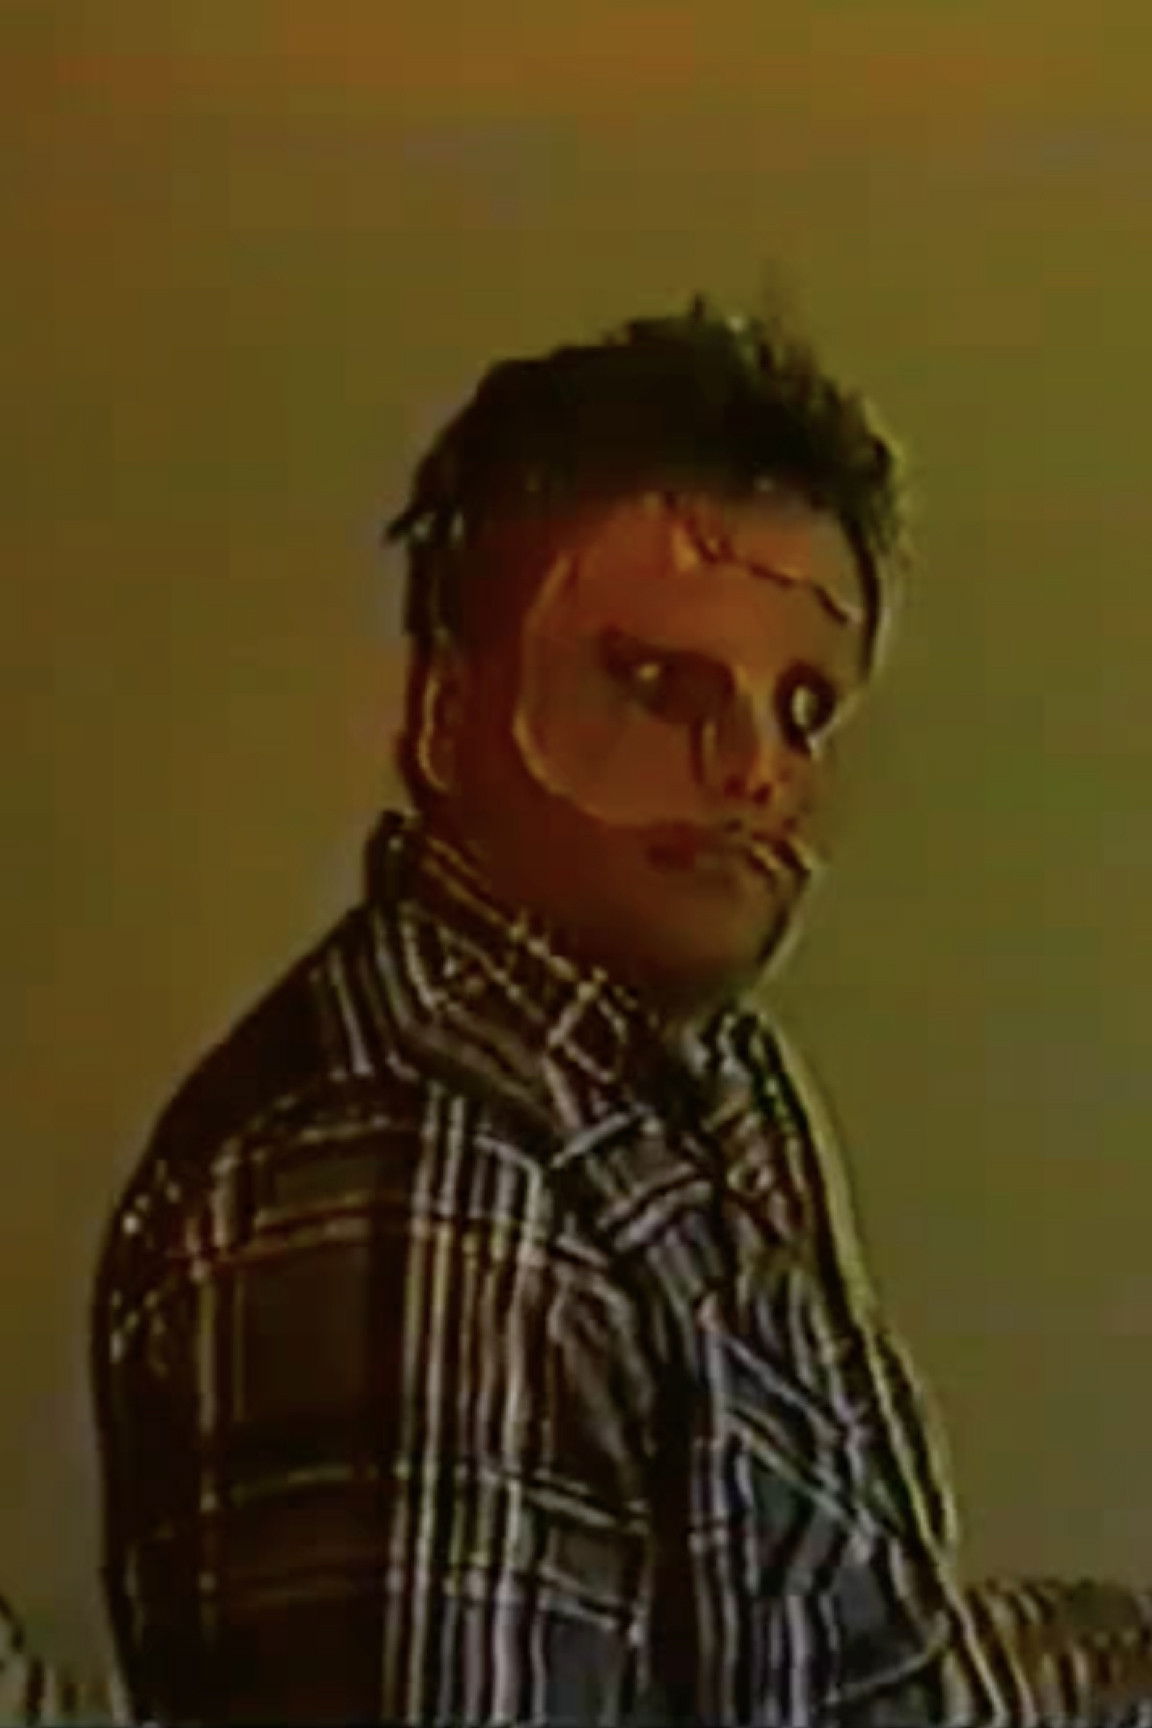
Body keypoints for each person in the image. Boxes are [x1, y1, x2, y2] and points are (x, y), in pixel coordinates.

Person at [91, 296, 1152, 1725]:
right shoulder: (422, 1179)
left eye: (804, 709)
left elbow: (838, 1677)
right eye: (660, 686)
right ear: (446, 715)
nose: (757, 771)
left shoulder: (689, 1075)